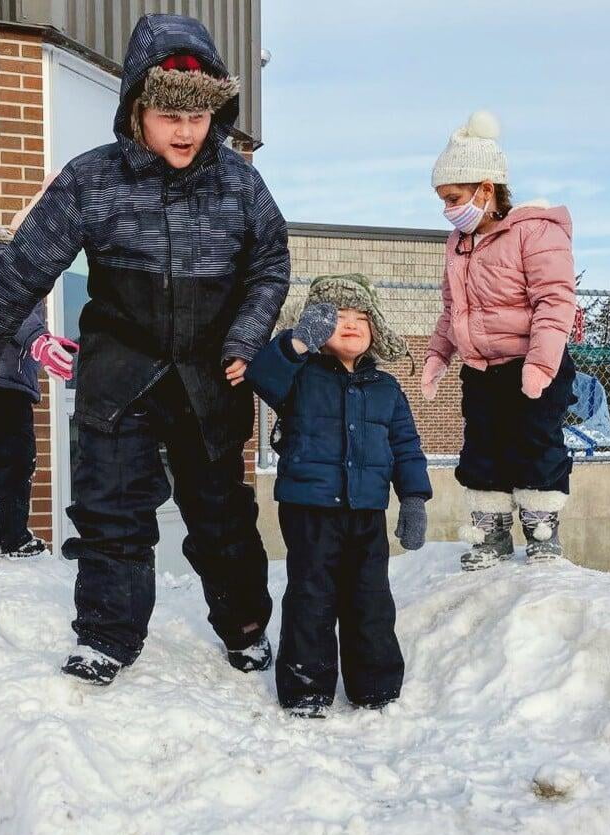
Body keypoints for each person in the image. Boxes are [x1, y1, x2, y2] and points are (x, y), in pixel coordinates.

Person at [0, 14, 290, 684]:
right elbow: (22, 270)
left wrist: (247, 334)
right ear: (137, 107)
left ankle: (245, 627)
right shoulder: (92, 179)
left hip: (208, 374)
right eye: (169, 115)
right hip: (120, 368)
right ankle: (106, 633)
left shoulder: (240, 184)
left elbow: (270, 266)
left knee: (220, 518)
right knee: (111, 510)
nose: (187, 131)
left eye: (200, 116)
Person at [246, 275, 431, 717]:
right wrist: (296, 344)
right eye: (337, 317)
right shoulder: (298, 376)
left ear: (376, 330)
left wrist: (413, 498)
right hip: (310, 510)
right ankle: (306, 688)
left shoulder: (386, 388)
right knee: (312, 596)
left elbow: (406, 445)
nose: (350, 324)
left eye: (360, 317)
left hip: (366, 511)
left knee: (370, 598)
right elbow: (262, 378)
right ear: (316, 325)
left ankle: (376, 686)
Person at [422, 111, 577, 570]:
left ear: (485, 189)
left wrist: (541, 365)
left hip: (533, 363)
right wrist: (437, 354)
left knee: (536, 442)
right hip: (482, 369)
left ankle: (542, 531)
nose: (448, 208)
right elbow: (454, 309)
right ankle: (492, 535)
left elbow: (555, 301)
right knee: (483, 447)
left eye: (453, 197)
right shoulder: (459, 243)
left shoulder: (535, 232)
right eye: (443, 200)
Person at [0, 176, 78, 558]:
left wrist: (45, 338)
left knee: (2, 453)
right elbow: (8, 306)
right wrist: (40, 340)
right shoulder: (2, 261)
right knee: (16, 455)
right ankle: (2, 537)